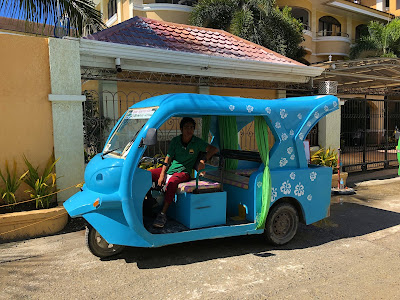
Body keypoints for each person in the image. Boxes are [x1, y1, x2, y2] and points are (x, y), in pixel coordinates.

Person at [149, 117, 218, 228]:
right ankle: (150, 203)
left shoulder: (197, 142)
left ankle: (162, 214)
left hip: (183, 172)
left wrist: (202, 160)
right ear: (181, 129)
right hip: (170, 170)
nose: (189, 130)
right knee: (147, 174)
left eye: (191, 127)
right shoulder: (176, 141)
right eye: (186, 127)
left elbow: (214, 149)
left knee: (172, 182)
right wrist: (162, 174)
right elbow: (168, 158)